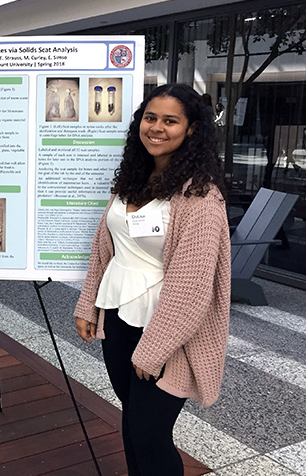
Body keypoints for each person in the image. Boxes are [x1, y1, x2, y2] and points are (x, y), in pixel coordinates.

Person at [74, 83, 231, 476]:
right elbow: (105, 248)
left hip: (164, 334)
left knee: (150, 435)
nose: (157, 128)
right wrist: (88, 303)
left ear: (191, 129)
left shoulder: (200, 198)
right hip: (119, 318)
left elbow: (192, 286)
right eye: (150, 117)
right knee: (132, 426)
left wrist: (152, 350)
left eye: (170, 120)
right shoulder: (133, 180)